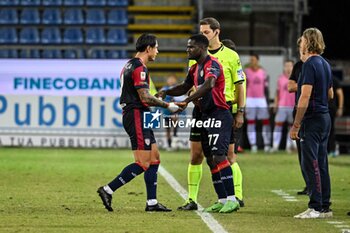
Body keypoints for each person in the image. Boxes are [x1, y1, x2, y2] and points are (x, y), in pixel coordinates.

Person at [97, 33, 181, 212]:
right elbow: (143, 96)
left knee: (154, 157)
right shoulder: (139, 67)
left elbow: (143, 95)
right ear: (148, 48)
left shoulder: (129, 65)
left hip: (141, 112)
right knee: (143, 162)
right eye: (156, 47)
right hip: (136, 114)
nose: (157, 51)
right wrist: (168, 106)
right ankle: (108, 189)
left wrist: (156, 98)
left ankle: (151, 203)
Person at [159, 34, 240, 213]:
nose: (188, 50)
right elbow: (184, 85)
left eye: (191, 47)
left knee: (220, 156)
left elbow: (210, 84)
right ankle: (222, 199)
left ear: (202, 48)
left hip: (219, 114)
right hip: (205, 115)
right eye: (187, 47)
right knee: (211, 159)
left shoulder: (213, 64)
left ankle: (233, 199)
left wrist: (187, 100)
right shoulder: (195, 68)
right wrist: (167, 92)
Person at [175, 18, 246, 211]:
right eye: (201, 32)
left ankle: (235, 197)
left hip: (223, 109)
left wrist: (240, 111)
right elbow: (190, 85)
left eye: (206, 32)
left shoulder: (228, 56)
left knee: (226, 155)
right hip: (202, 110)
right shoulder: (195, 60)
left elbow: (239, 84)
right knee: (202, 155)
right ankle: (211, 199)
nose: (203, 35)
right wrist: (175, 94)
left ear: (216, 32)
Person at [290, 28, 333, 219]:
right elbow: (330, 94)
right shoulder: (325, 64)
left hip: (312, 119)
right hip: (325, 118)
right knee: (322, 163)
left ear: (307, 42)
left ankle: (315, 206)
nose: (300, 45)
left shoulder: (308, 64)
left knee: (311, 163)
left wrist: (296, 124)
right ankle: (324, 206)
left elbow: (305, 96)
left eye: (302, 42)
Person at [288, 57, 309, 196]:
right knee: (302, 154)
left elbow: (329, 91)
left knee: (312, 154)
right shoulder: (298, 66)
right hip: (299, 111)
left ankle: (319, 196)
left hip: (312, 113)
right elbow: (290, 87)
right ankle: (309, 185)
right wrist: (306, 85)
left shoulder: (317, 64)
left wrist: (303, 86)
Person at [244, 54, 271, 153]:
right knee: (251, 122)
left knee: (265, 122)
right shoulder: (246, 72)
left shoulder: (263, 72)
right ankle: (253, 145)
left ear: (258, 60)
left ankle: (267, 144)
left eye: (254, 60)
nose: (252, 61)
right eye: (251, 60)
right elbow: (243, 87)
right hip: (250, 99)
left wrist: (267, 102)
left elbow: (266, 89)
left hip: (261, 99)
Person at [272, 60, 296, 153]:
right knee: (278, 126)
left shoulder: (297, 79)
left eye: (290, 66)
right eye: (286, 66)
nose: (288, 68)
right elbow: (277, 93)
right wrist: (275, 104)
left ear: (293, 67)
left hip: (293, 106)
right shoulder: (280, 78)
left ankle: (289, 147)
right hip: (282, 106)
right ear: (284, 67)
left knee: (291, 127)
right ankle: (275, 146)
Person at [159, 74, 186, 151]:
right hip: (166, 112)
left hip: (174, 112)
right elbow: (160, 99)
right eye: (169, 79)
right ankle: (169, 144)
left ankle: (175, 140)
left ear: (176, 80)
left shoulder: (178, 89)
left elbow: (181, 100)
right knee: (167, 129)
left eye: (172, 79)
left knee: (175, 121)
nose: (171, 81)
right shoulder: (164, 89)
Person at [328, 74, 344, 156]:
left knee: (330, 129)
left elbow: (340, 94)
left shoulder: (334, 79)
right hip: (321, 107)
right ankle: (325, 150)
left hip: (330, 108)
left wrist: (340, 108)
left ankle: (332, 150)